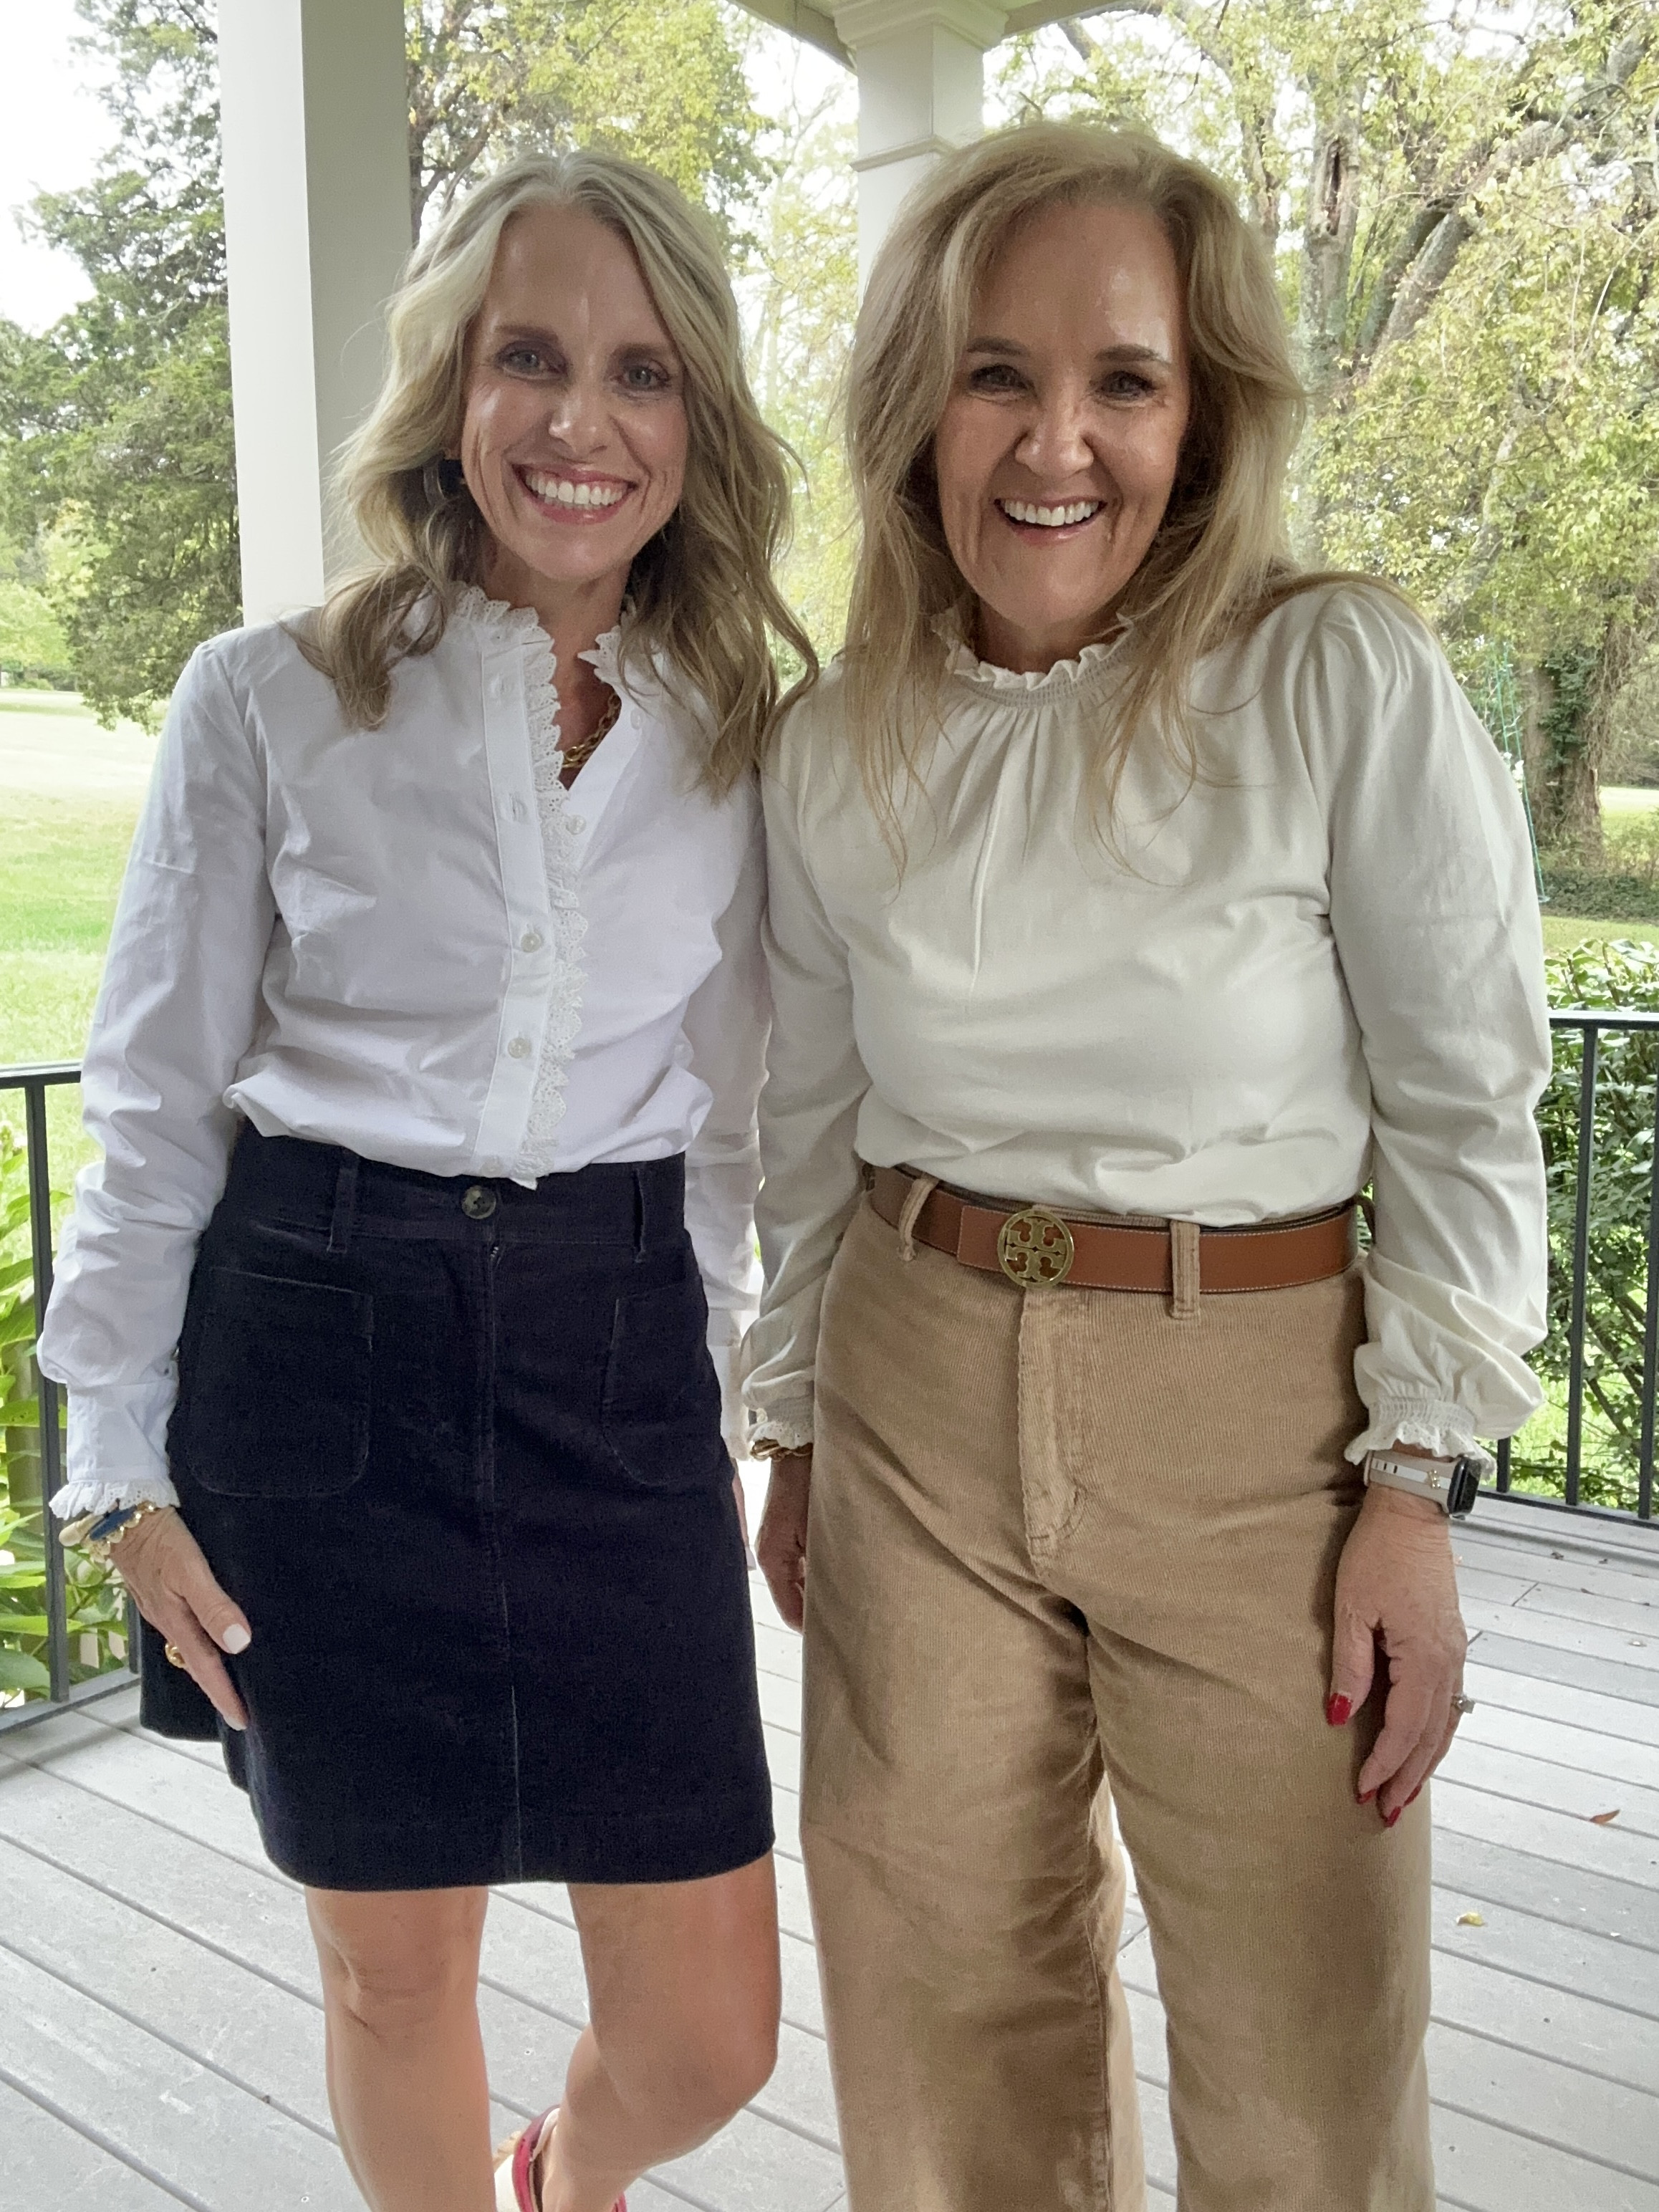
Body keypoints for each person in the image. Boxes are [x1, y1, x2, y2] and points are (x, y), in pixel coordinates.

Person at [745, 122, 1549, 2212]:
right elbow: (805, 1114)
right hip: (911, 1387)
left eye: (1125, 379)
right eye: (997, 372)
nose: (1055, 443)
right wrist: (798, 1429)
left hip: (1256, 1410)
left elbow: (1465, 1099)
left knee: (1300, 2057)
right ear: (918, 403)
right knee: (940, 2031)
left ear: (1200, 423)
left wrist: (1409, 1488)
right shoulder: (839, 744)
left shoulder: (1326, 675)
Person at [39, 148, 813, 2212]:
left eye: (641, 375)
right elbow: (156, 1094)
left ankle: (558, 2179)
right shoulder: (272, 696)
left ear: (696, 423)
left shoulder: (746, 730)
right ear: (447, 392)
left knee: (710, 2029)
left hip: (617, 1361)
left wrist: (744, 1398)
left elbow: (744, 1121)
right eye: (528, 358)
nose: (581, 423)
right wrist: (115, 1459)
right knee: (394, 1972)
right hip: (318, 1344)